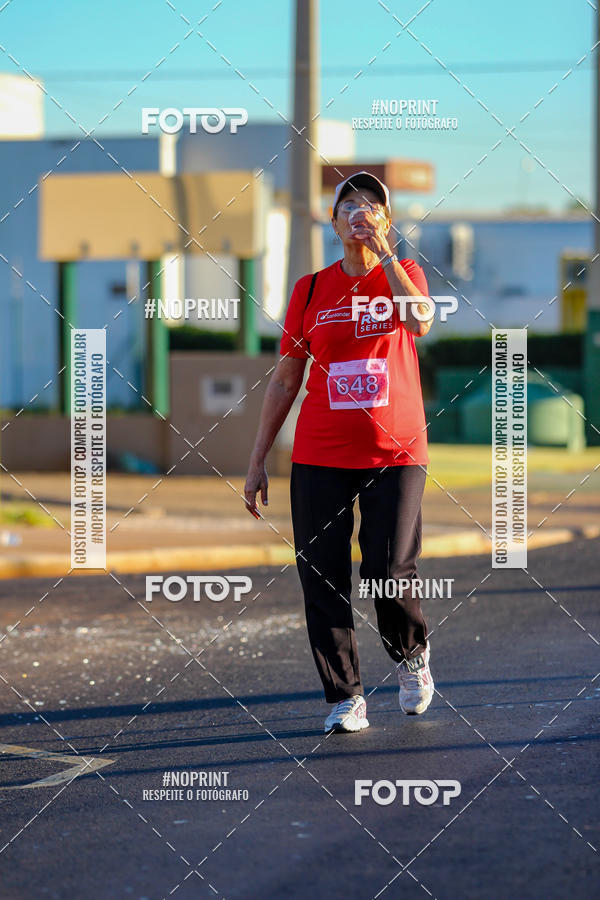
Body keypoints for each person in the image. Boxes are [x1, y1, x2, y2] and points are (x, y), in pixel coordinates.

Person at [244, 171, 435, 733]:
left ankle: (411, 658)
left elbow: (420, 320)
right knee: (322, 576)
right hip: (320, 454)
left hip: (395, 454)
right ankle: (346, 696)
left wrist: (387, 257)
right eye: (348, 205)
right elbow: (284, 382)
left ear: (386, 221)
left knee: (387, 569)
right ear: (332, 223)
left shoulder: (408, 276)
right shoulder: (309, 290)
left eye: (372, 205)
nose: (359, 212)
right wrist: (257, 460)